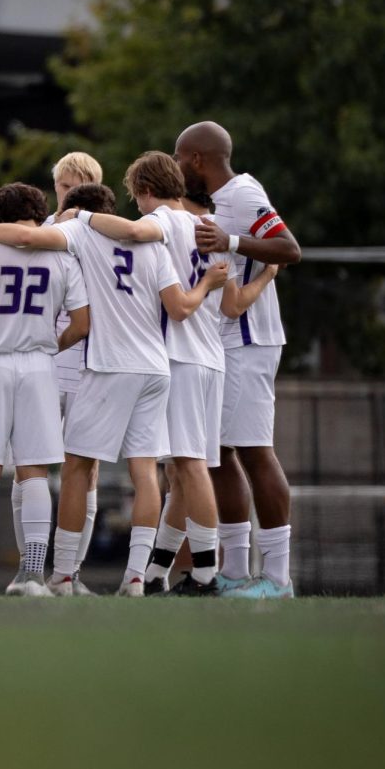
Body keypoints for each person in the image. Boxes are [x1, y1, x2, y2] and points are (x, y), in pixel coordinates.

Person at [0, 176, 227, 596]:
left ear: (74, 210)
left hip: (110, 365)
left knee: (76, 465)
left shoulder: (79, 230)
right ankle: (135, 577)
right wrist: (207, 285)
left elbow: (24, 237)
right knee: (145, 472)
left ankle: (60, 575)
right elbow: (179, 306)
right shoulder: (151, 241)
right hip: (155, 369)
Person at [75, 155, 277, 595]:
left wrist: (83, 215)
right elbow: (232, 306)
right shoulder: (210, 228)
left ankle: (205, 575)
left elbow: (131, 231)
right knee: (183, 475)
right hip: (213, 360)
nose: (138, 207)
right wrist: (267, 275)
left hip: (179, 358)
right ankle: (155, 573)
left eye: (137, 196)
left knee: (189, 467)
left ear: (147, 190)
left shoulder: (166, 220)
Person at [174, 121, 301, 598]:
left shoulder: (244, 194)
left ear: (199, 160)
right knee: (220, 454)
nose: (178, 165)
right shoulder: (211, 204)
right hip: (224, 340)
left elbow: (290, 249)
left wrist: (230, 241)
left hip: (250, 339)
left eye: (180, 157)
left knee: (252, 450)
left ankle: (278, 578)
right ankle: (233, 570)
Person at [0, 182, 89, 597]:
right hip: (39, 366)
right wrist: (48, 346)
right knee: (35, 474)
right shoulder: (62, 254)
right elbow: (81, 323)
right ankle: (31, 575)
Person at [45, 151, 103, 594]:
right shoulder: (46, 228)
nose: (64, 195)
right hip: (49, 358)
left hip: (88, 360)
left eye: (72, 187)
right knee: (30, 460)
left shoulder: (104, 233)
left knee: (85, 467)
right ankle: (34, 563)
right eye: (61, 186)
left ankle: (71, 569)